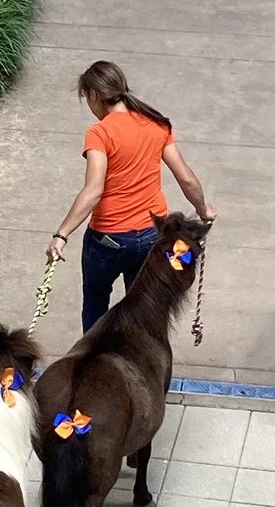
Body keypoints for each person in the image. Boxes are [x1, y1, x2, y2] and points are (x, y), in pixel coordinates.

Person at [47, 61, 217, 332]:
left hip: (107, 240)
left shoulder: (100, 133)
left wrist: (61, 234)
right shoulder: (156, 124)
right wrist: (203, 208)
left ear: (93, 95)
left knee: (95, 304)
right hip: (152, 236)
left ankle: (94, 364)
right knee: (143, 306)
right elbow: (185, 177)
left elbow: (93, 190)